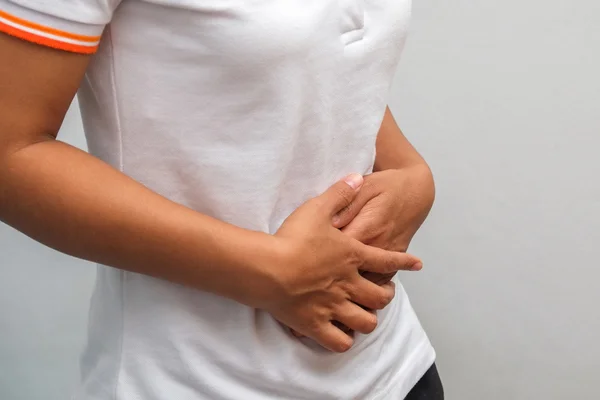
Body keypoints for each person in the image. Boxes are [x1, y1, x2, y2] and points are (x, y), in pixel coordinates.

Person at [0, 0, 443, 399]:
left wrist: (412, 174)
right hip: (192, 379)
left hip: (395, 371)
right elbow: (10, 155)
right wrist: (274, 272)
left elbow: (318, 57)